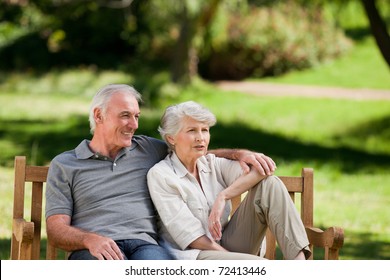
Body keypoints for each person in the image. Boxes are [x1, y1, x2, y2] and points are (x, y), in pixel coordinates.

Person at [45, 84, 277, 260]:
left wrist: (240, 154)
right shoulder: (66, 164)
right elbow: (56, 230)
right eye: (125, 115)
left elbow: (191, 149)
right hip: (94, 250)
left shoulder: (146, 149)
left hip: (145, 246)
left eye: (136, 116)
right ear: (99, 116)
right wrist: (89, 239)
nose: (134, 124)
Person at [147, 101, 311, 260]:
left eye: (204, 130)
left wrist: (223, 196)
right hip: (197, 255)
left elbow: (261, 171)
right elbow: (193, 238)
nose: (200, 137)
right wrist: (233, 261)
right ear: (171, 139)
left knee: (270, 184)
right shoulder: (161, 175)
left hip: (228, 244)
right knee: (261, 267)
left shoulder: (211, 163)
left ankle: (299, 265)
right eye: (192, 130)